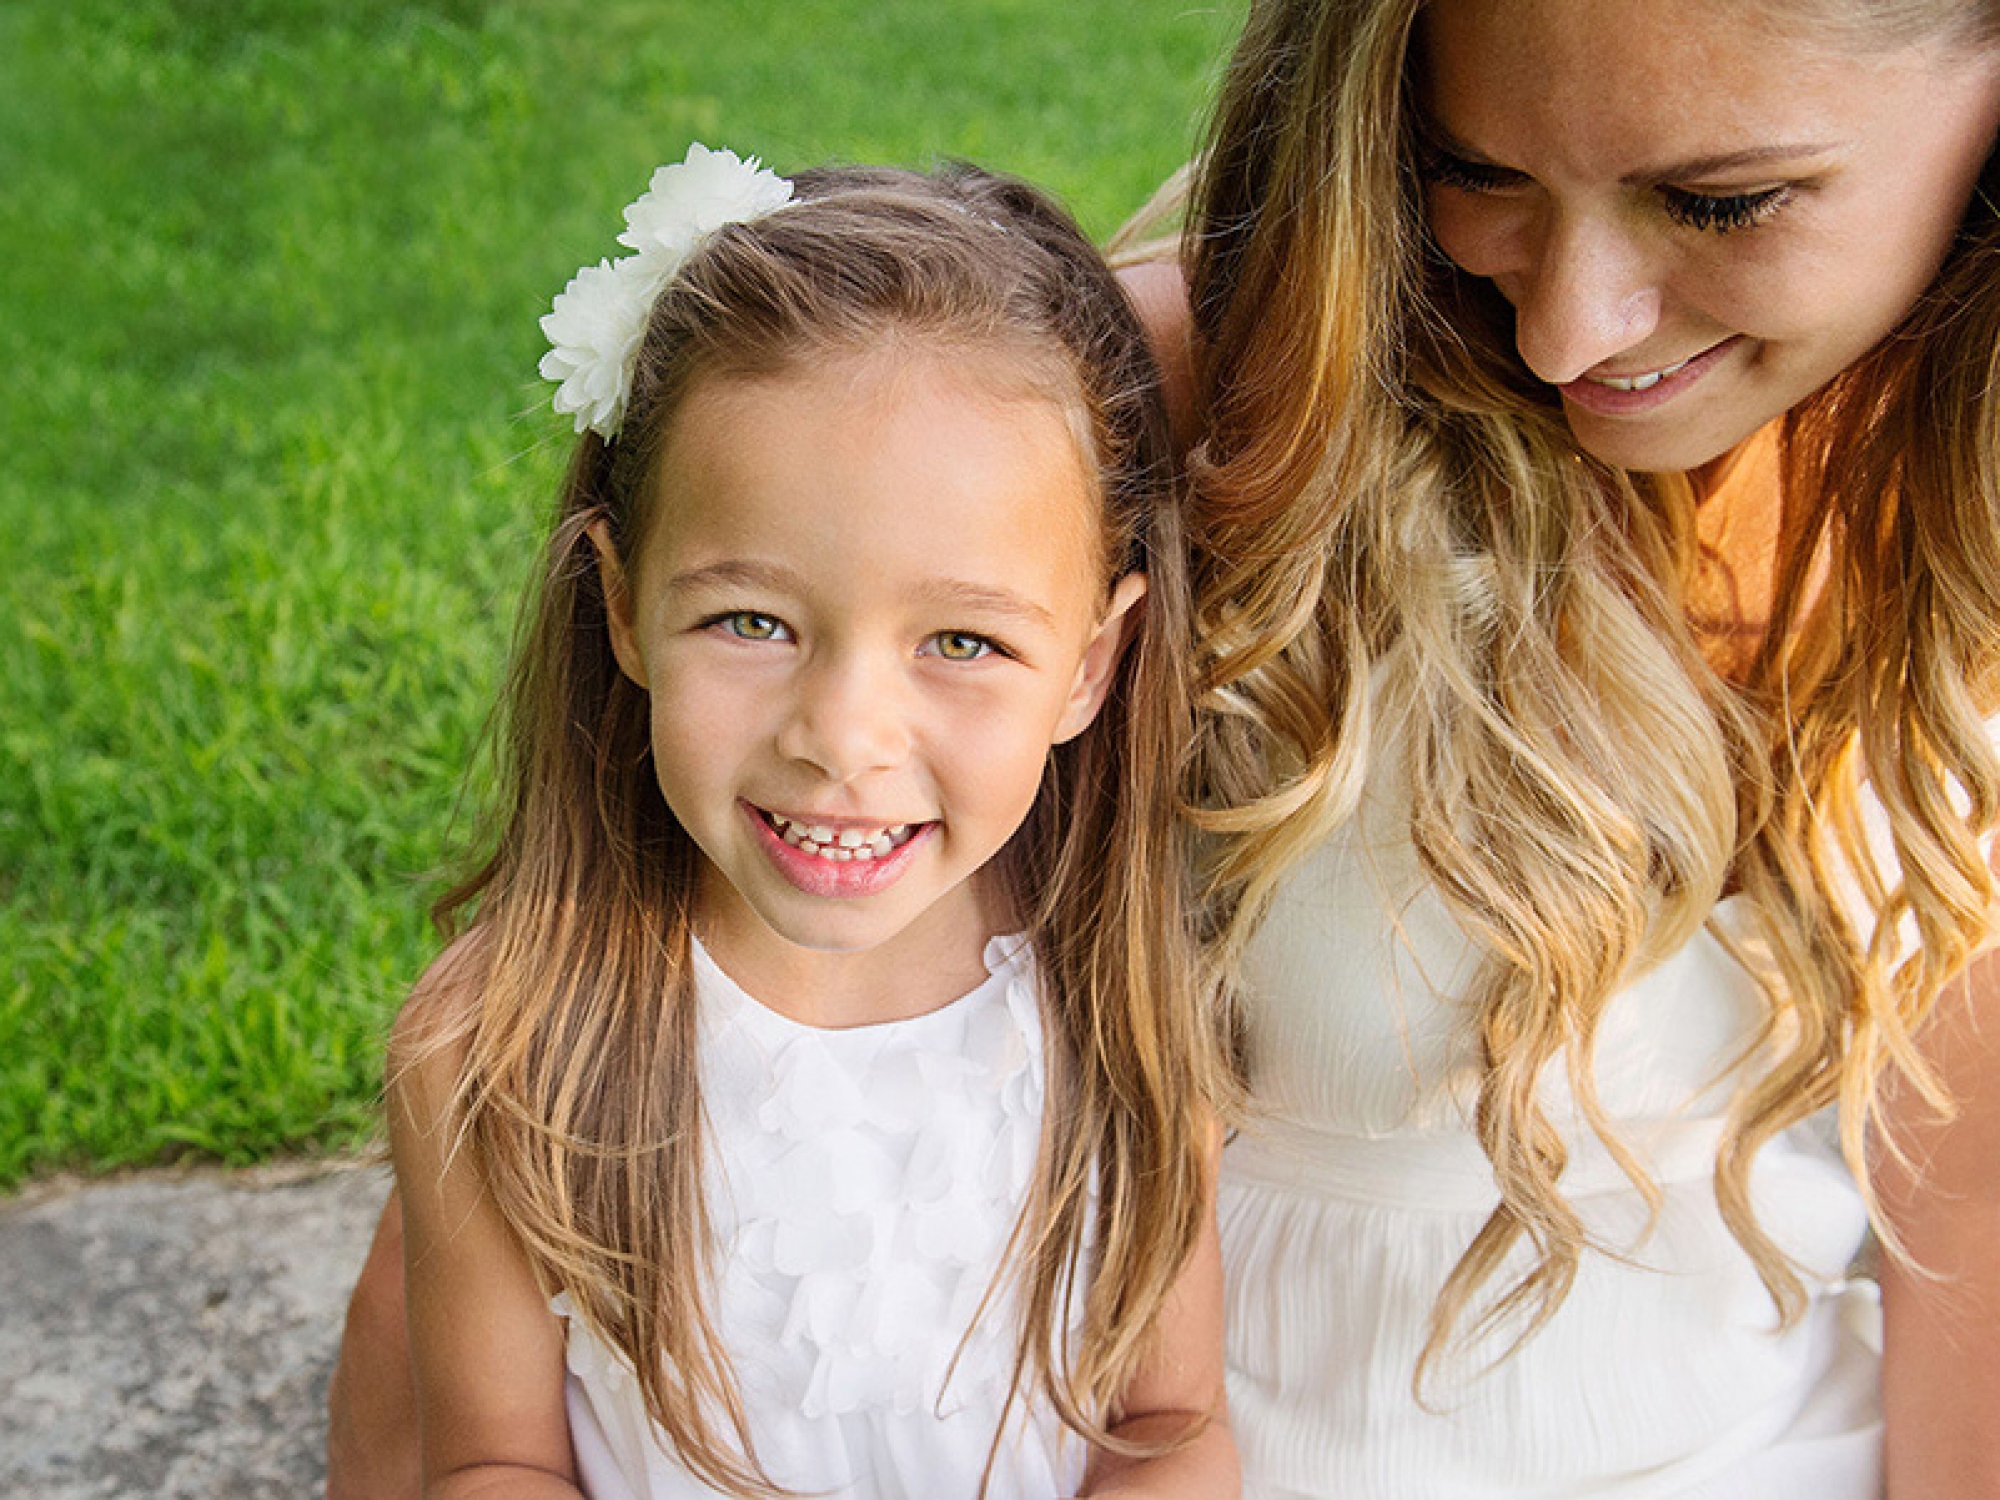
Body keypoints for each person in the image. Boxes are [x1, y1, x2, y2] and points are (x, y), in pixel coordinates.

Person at [1150, 0, 2000, 1495]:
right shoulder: (1191, 425)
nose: (1566, 329)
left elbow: (1973, 1206)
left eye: (1719, 201)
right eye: (1474, 171)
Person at [362, 146, 1236, 1500]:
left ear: (1090, 665)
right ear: (620, 604)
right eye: (752, 621)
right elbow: (490, 1457)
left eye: (960, 639)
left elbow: (1167, 1424)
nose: (841, 734)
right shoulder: (500, 1052)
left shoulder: (1126, 1015)